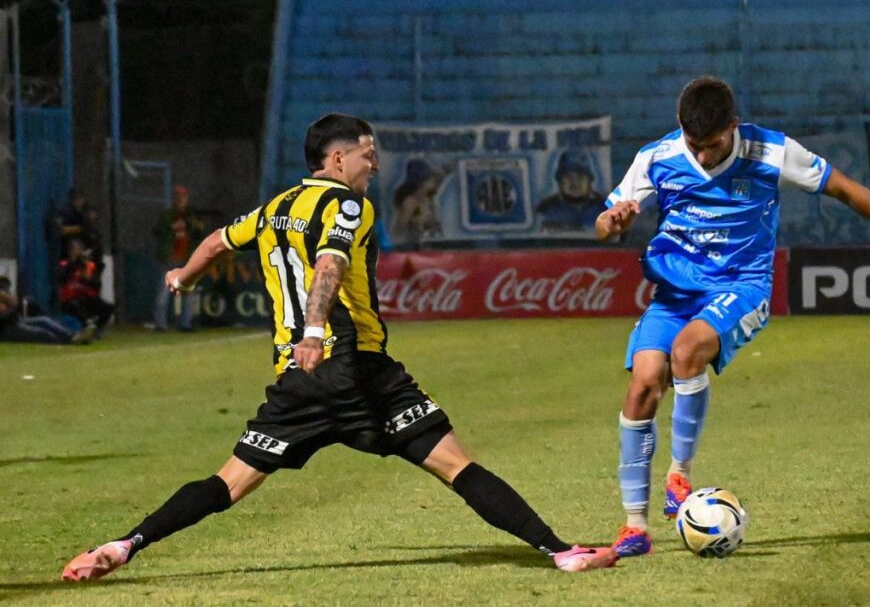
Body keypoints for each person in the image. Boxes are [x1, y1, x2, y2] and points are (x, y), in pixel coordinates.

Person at [61, 113, 617, 582]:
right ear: (336, 159)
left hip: (298, 384)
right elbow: (330, 263)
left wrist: (184, 276)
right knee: (456, 465)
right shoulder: (348, 205)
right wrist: (314, 331)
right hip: (356, 369)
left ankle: (123, 545)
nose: (373, 166)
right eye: (367, 156)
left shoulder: (274, 208)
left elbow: (215, 242)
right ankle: (562, 552)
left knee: (226, 484)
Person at [595, 77, 870, 558]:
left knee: (687, 350)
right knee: (643, 384)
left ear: (733, 126)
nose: (704, 156)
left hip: (741, 287)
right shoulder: (657, 157)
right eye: (695, 146)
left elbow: (845, 189)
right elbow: (604, 223)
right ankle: (635, 527)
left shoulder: (772, 151)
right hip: (675, 293)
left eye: (714, 144)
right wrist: (613, 222)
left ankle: (679, 474)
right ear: (680, 128)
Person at [152, 185, 204, 331]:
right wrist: (172, 227)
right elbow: (157, 231)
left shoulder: (191, 215)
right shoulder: (167, 215)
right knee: (163, 292)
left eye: (183, 197)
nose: (181, 199)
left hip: (187, 257)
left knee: (188, 292)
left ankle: (186, 324)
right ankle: (160, 324)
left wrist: (193, 224)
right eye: (178, 197)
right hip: (170, 257)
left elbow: (198, 234)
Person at [0, 277, 95, 345]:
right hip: (4, 329)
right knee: (39, 333)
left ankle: (73, 336)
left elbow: (13, 304)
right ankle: (67, 342)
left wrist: (9, 303)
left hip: (13, 321)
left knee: (44, 320)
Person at [535, 150, 606, 232]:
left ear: (590, 181)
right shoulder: (545, 210)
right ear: (559, 181)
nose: (574, 182)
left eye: (580, 176)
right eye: (568, 176)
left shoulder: (603, 209)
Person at [59, 238, 115, 332]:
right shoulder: (64, 264)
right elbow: (63, 279)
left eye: (79, 249)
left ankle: (97, 329)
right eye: (74, 249)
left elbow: (96, 285)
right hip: (69, 299)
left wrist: (86, 276)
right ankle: (86, 327)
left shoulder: (89, 265)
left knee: (107, 307)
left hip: (85, 297)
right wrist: (74, 263)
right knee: (76, 305)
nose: (77, 252)